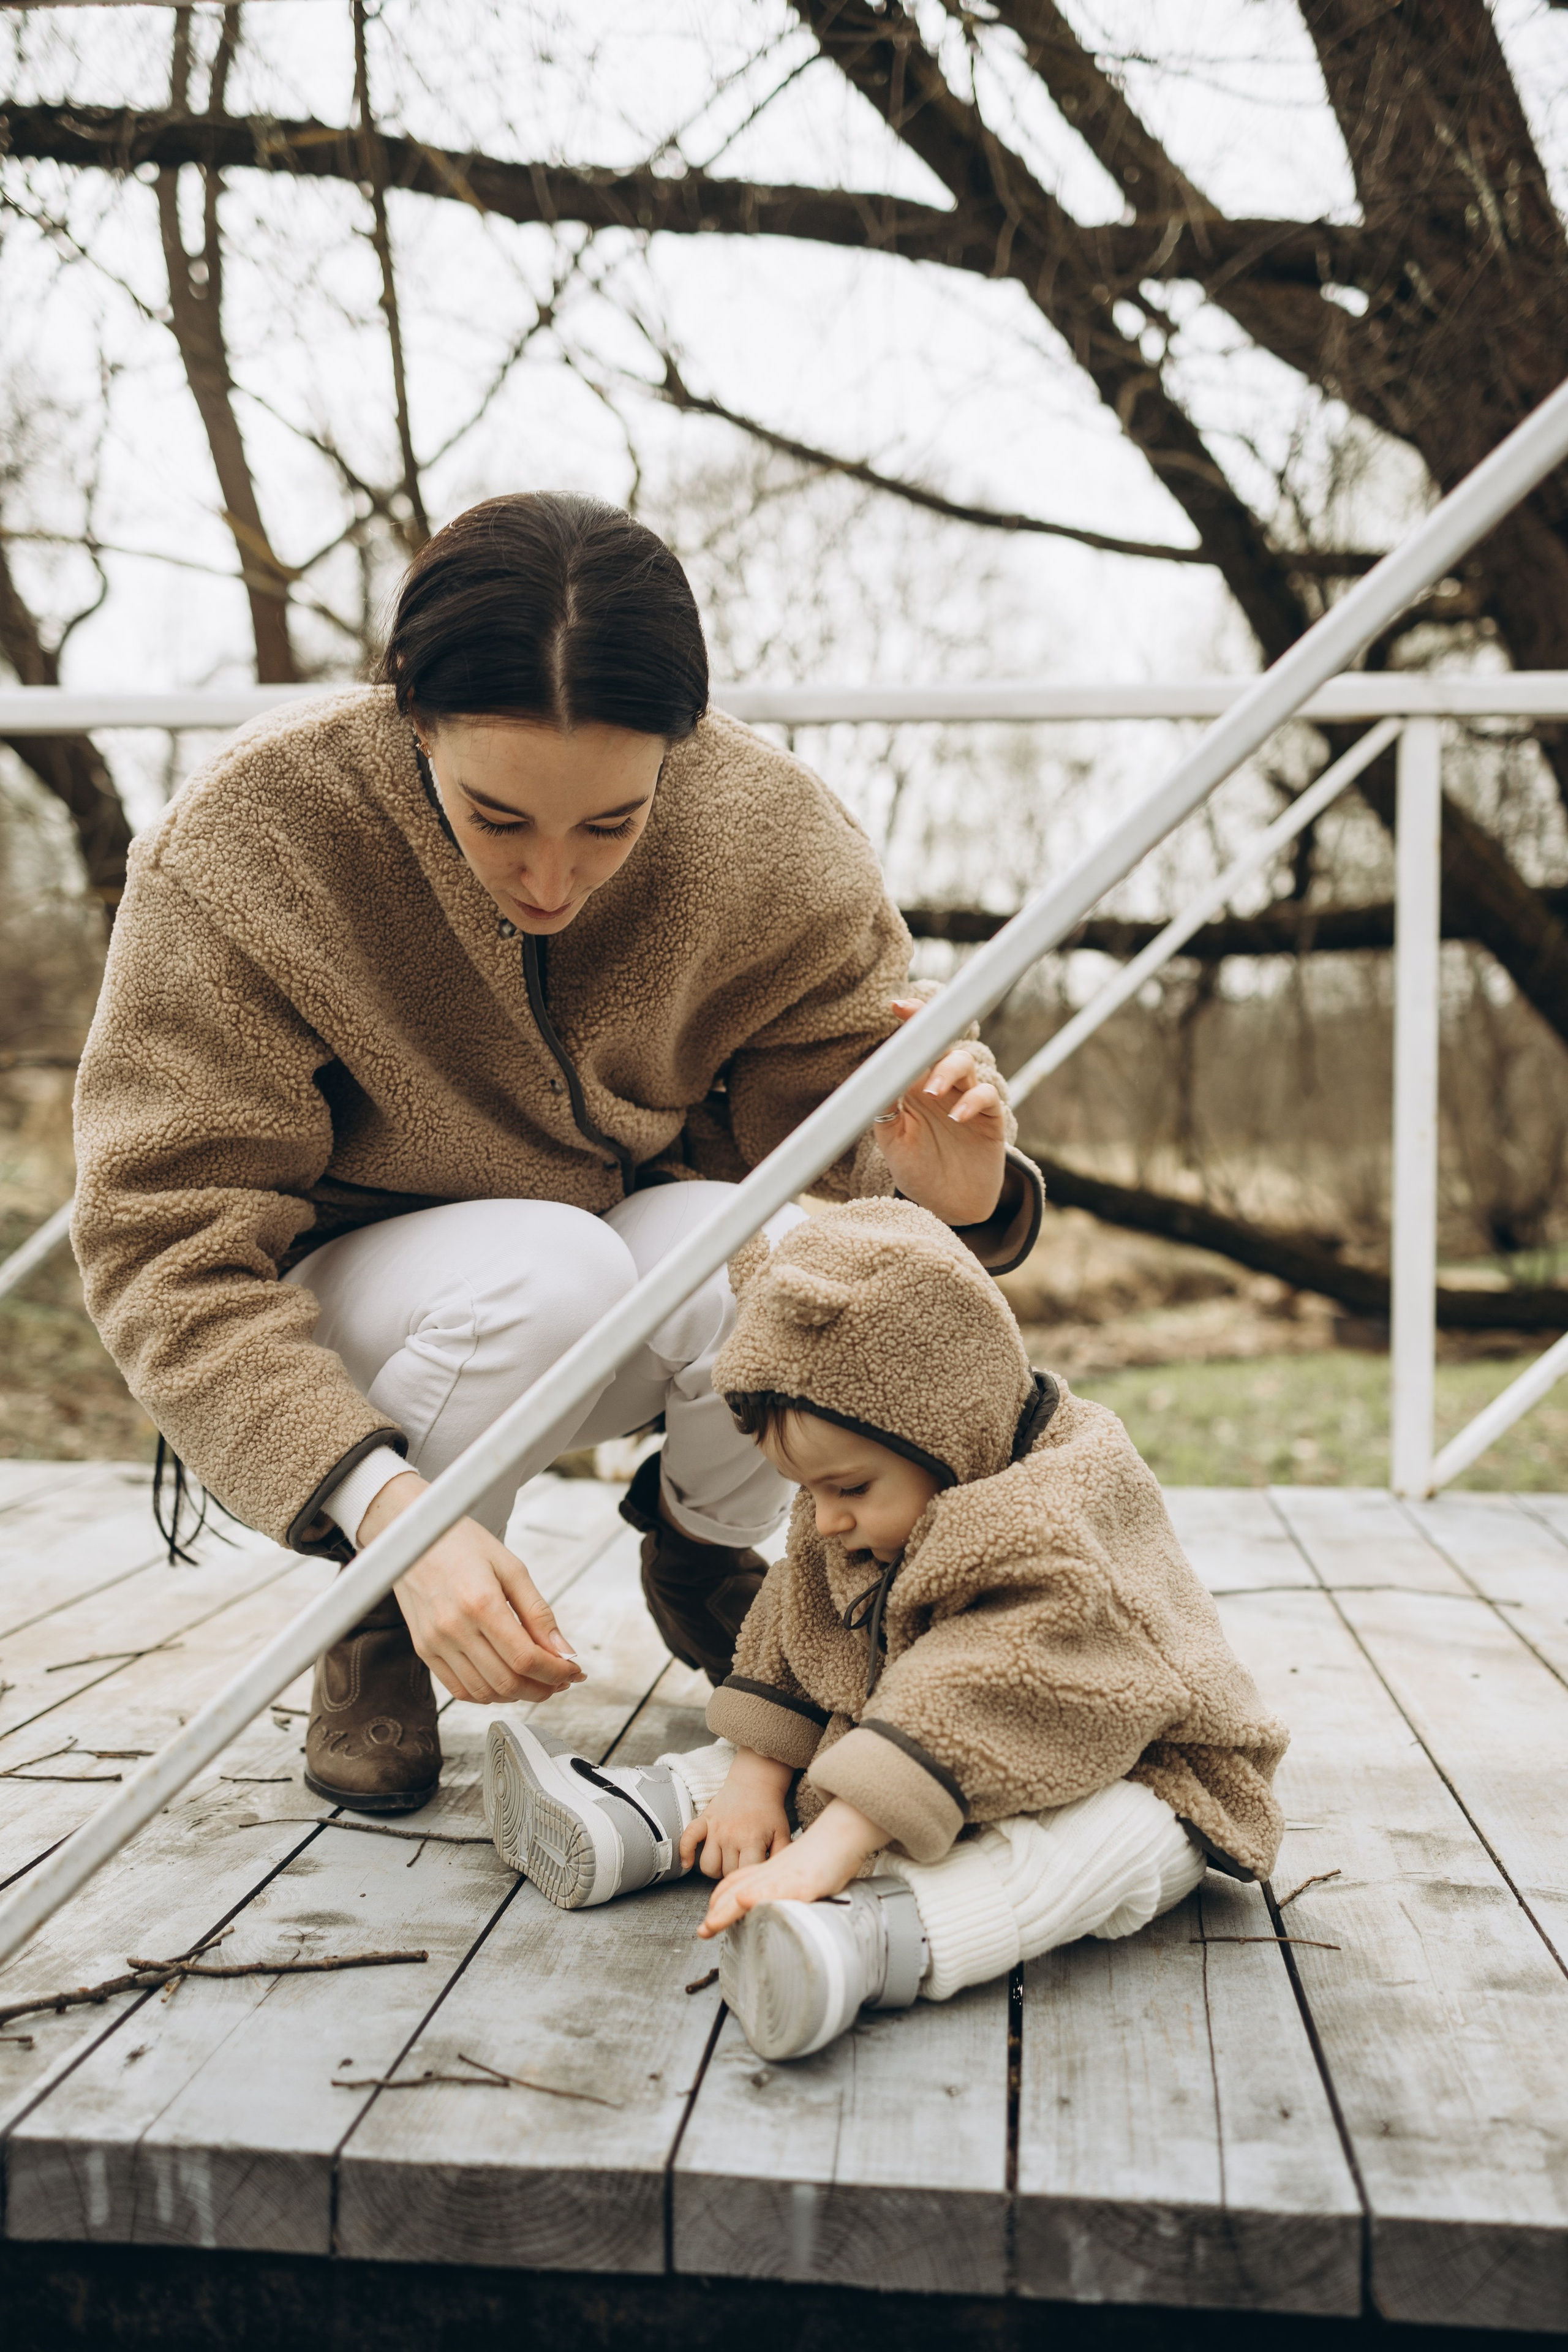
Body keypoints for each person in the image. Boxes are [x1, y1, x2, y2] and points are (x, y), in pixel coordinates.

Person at [72, 494, 1043, 1816]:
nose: (547, 879)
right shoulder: (258, 835)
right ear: (411, 719)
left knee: (773, 1255)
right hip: (349, 1328)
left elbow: (826, 1167)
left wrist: (959, 1201)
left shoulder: (769, 836)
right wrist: (387, 1515)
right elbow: (158, 1242)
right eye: (497, 817)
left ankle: (704, 1551)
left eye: (609, 827)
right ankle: (381, 1613)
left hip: (610, 1270)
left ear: (677, 759)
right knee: (548, 1267)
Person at [481, 1199, 1289, 2062]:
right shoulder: (877, 1483)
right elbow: (804, 1617)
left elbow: (997, 1678)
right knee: (831, 1753)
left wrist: (836, 1842)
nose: (824, 1519)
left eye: (847, 1491)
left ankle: (870, 1937)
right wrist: (757, 1778)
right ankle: (643, 1820)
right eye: (808, 1490)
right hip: (934, 1745)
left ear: (942, 1425)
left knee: (1087, 1855)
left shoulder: (1056, 1512)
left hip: (1147, 1761)